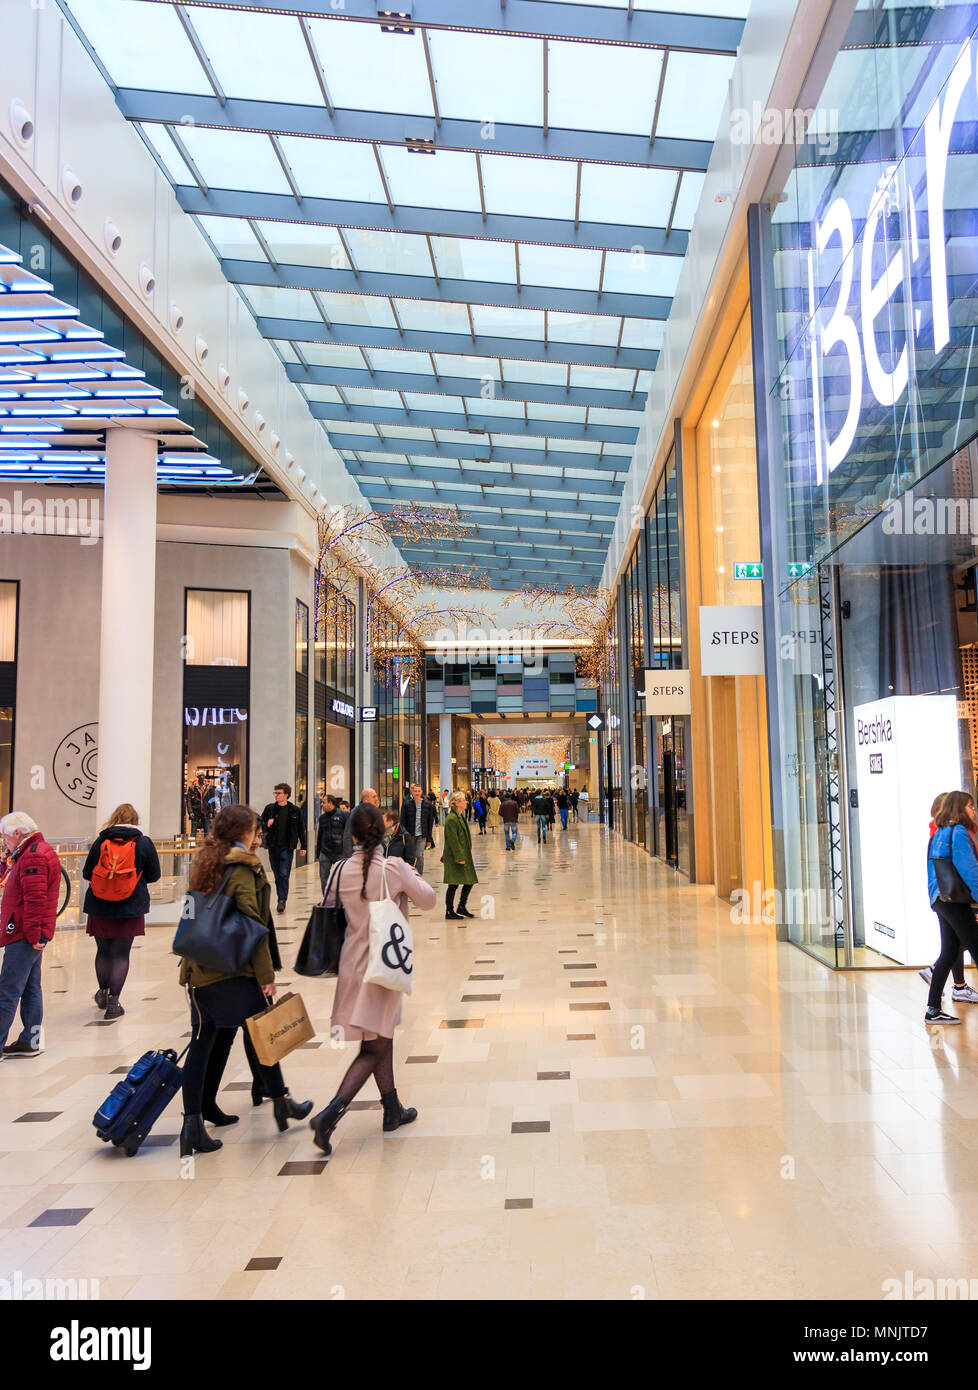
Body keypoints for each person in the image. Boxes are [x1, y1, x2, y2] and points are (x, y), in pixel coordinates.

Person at [179, 805, 312, 1156]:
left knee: (209, 1038)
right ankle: (282, 1102)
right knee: (260, 1032)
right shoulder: (242, 870)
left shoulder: (205, 861)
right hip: (233, 970)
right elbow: (255, 928)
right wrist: (266, 977)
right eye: (255, 830)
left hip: (202, 969)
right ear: (242, 832)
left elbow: (190, 912)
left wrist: (188, 966)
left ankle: (196, 1117)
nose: (258, 836)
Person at [311, 803, 436, 1155]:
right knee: (374, 1046)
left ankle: (392, 1107)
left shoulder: (338, 869)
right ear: (384, 833)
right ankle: (329, 1115)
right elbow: (428, 900)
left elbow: (329, 904)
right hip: (384, 965)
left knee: (380, 1035)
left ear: (350, 834)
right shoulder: (392, 868)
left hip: (351, 964)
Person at [82, 803, 161, 1019]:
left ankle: (103, 994)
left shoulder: (101, 841)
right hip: (130, 906)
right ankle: (114, 1004)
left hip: (99, 905)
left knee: (103, 952)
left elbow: (87, 872)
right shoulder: (143, 842)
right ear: (136, 821)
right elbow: (155, 875)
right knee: (121, 954)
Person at [0, 813, 61, 1059]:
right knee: (31, 988)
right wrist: (5, 862)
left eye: (4, 836)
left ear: (17, 833)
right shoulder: (28, 852)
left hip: (24, 935)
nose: (3, 841)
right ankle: (30, 1041)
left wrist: (37, 935)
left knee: (8, 990)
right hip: (30, 933)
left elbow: (35, 900)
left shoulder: (34, 854)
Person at [925, 790, 978, 1026]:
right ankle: (935, 1008)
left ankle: (933, 1010)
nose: (973, 810)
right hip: (955, 902)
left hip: (941, 900)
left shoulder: (939, 833)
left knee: (949, 951)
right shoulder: (958, 833)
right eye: (969, 806)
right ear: (959, 808)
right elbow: (971, 872)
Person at [259, 782, 307, 913]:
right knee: (277, 875)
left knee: (284, 874)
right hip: (273, 846)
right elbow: (259, 823)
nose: (276, 795)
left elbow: (301, 830)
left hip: (287, 846)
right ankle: (281, 897)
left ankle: (281, 900)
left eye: (279, 793)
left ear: (286, 795)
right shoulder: (270, 809)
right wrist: (266, 824)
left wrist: (304, 846)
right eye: (275, 793)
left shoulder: (295, 810)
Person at [443, 791, 478, 920]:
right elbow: (453, 840)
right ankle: (449, 910)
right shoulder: (451, 819)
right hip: (456, 856)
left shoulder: (459, 816)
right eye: (463, 800)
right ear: (457, 803)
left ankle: (461, 906)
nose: (466, 802)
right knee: (453, 883)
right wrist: (459, 857)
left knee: (469, 880)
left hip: (463, 853)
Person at [315, 794, 348, 895]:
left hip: (340, 852)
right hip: (325, 852)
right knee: (323, 877)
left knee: (341, 877)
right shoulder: (322, 818)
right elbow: (319, 836)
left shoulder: (344, 815)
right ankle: (327, 898)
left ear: (330, 803)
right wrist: (317, 854)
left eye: (324, 802)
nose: (321, 804)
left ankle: (341, 898)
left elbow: (349, 834)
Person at [400, 782, 435, 875]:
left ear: (421, 792)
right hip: (410, 834)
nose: (417, 793)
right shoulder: (407, 804)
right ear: (412, 792)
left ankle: (418, 875)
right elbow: (402, 820)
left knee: (419, 855)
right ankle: (410, 874)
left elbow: (430, 822)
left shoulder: (427, 805)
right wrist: (403, 834)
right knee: (410, 855)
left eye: (419, 791)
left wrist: (429, 839)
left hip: (422, 835)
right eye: (415, 791)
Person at [343, 787, 380, 856]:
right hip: (359, 855)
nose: (377, 799)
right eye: (374, 797)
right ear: (365, 800)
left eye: (376, 796)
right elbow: (348, 836)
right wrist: (348, 857)